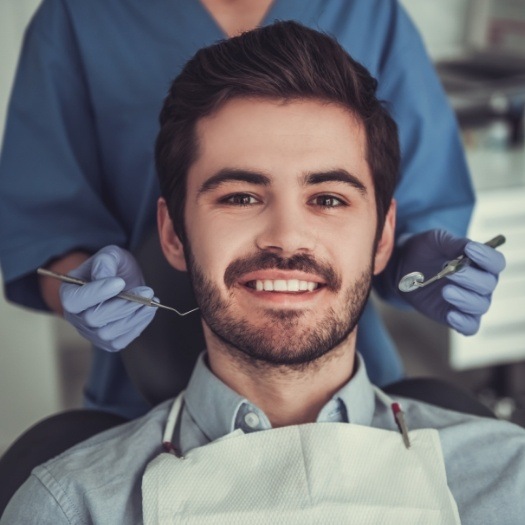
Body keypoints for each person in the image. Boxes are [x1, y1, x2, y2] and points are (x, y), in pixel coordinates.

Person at [1, 22, 519, 525]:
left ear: (382, 235)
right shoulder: (73, 505)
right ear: (173, 233)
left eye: (328, 198)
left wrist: (409, 258)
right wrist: (76, 278)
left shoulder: (507, 477)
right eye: (241, 196)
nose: (287, 237)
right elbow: (38, 220)